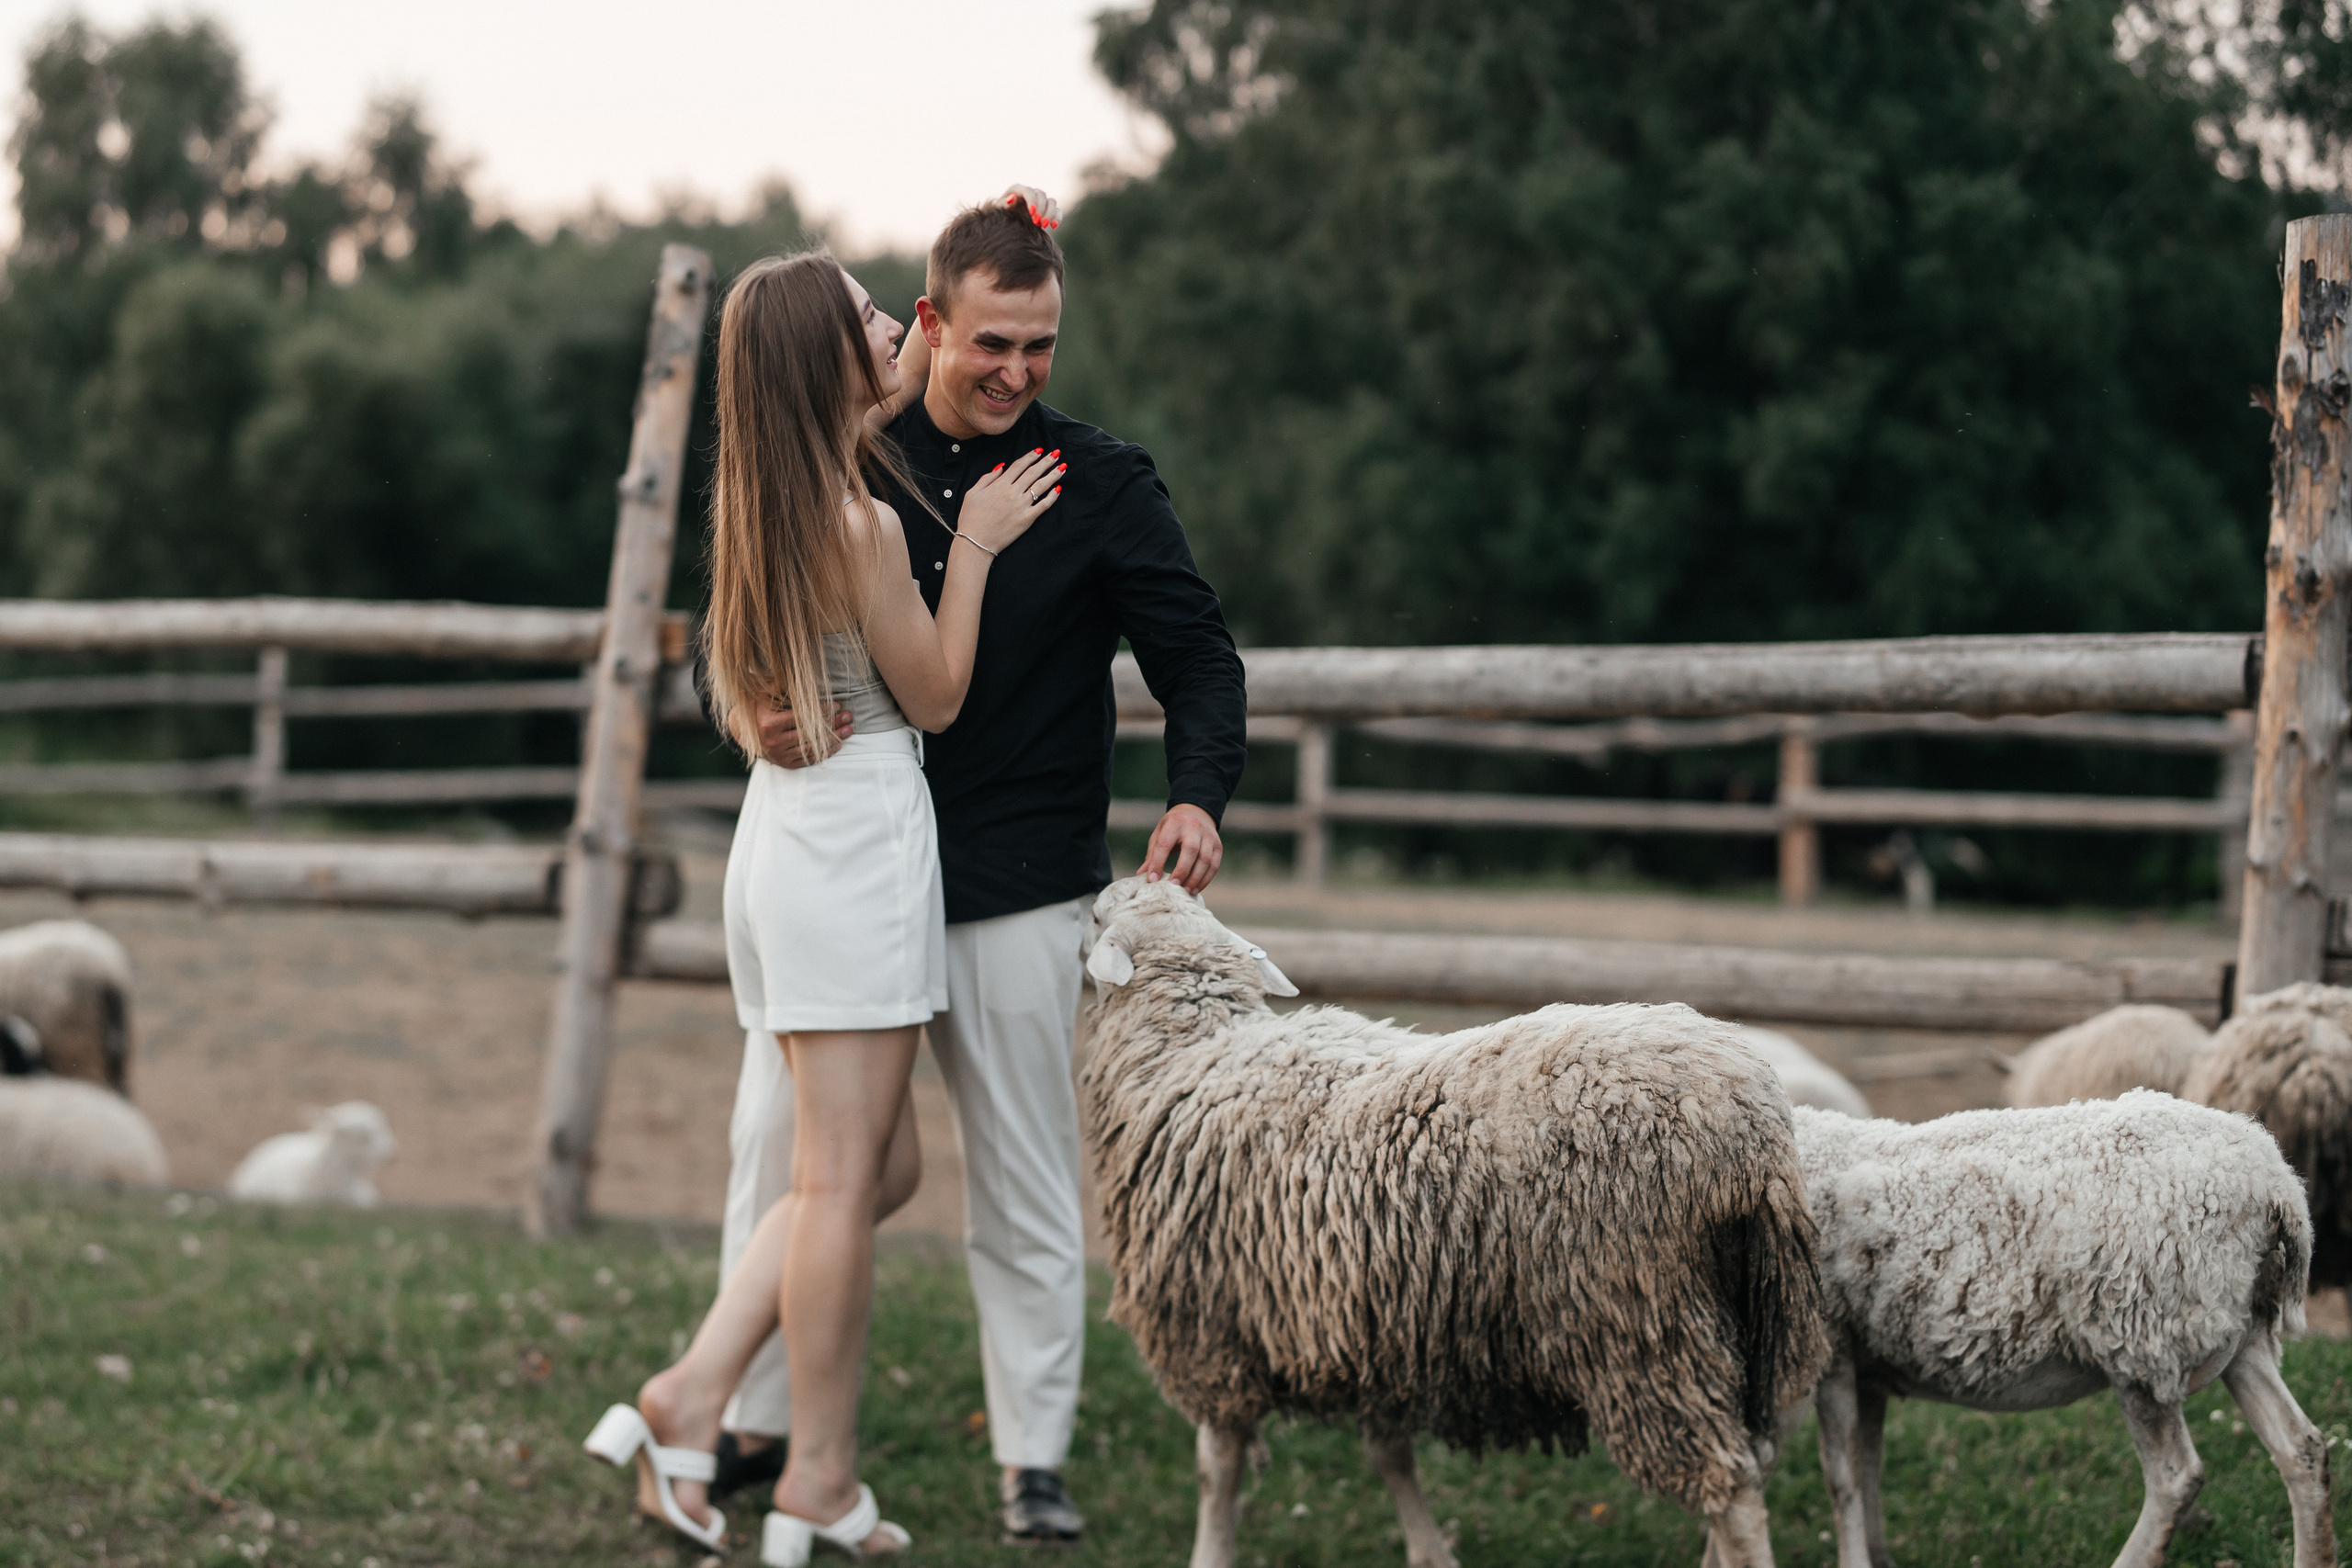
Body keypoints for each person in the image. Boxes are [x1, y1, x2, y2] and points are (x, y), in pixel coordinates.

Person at [716, 192, 1248, 1545]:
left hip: (1013, 882)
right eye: (992, 342)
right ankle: (748, 1421)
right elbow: (730, 621)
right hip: (846, 880)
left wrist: (1199, 793)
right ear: (932, 322)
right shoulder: (844, 451)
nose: (1017, 371)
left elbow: (1198, 657)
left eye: (1042, 347)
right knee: (786, 1160)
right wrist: (739, 711)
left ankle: (1034, 1459)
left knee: (1019, 1179)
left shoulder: (1103, 481)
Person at [582, 231, 1068, 1563]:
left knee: (873, 1166)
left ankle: (688, 1390)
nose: (895, 331)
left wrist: (1008, 224)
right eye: (870, 318)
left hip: (787, 844)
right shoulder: (854, 523)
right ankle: (818, 1482)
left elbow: (919, 344)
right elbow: (940, 695)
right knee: (848, 1178)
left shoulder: (763, 502)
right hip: (852, 849)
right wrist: (970, 546)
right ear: (824, 359)